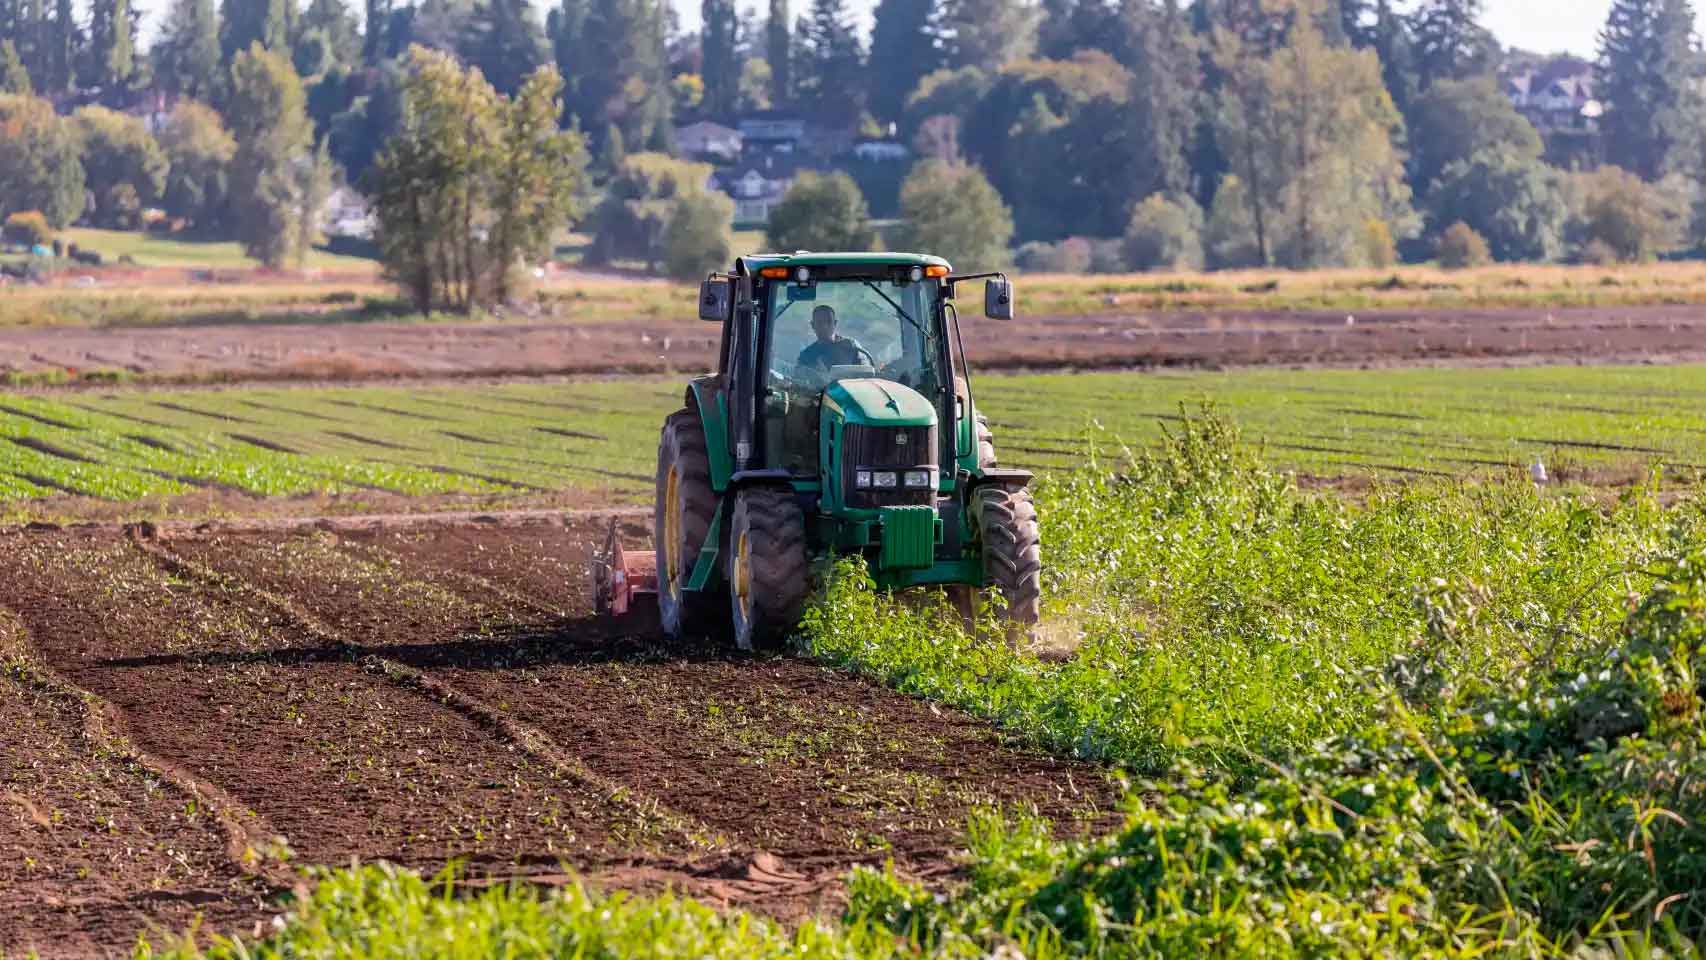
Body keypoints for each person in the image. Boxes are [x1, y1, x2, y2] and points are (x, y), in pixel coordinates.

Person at [796, 305, 871, 370]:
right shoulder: (806, 355)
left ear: (835, 323)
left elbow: (865, 372)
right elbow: (799, 381)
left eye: (829, 321)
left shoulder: (851, 346)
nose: (825, 326)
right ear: (812, 325)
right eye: (820, 322)